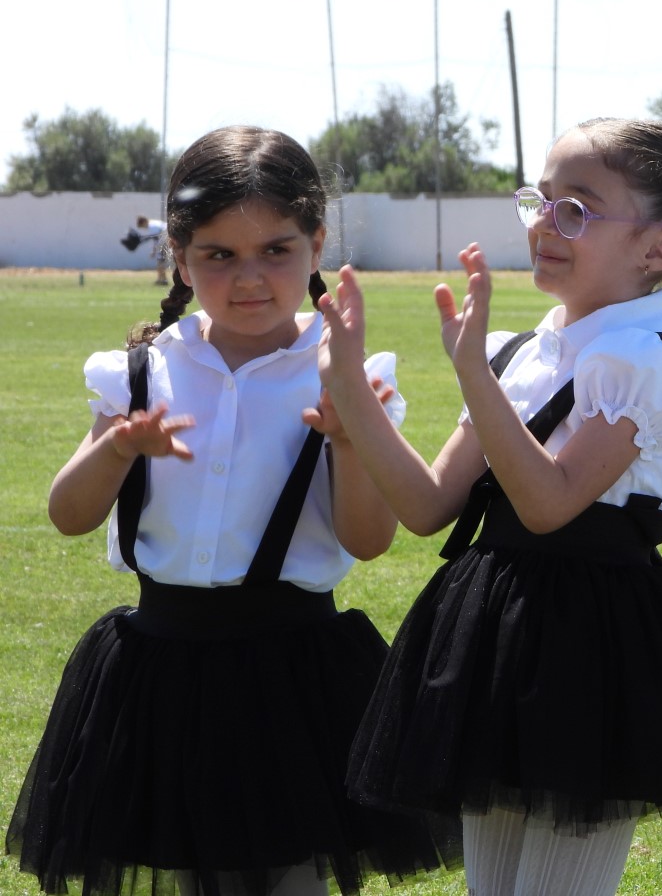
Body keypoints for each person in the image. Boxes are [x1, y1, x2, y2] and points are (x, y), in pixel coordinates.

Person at [320, 117, 662, 896]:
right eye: (539, 201)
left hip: (595, 646)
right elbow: (426, 504)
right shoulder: (520, 353)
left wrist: (472, 375)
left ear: (660, 248)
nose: (545, 225)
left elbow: (549, 502)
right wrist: (348, 384)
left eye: (575, 210)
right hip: (492, 634)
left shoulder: (653, 363)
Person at [6, 127, 455, 896]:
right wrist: (117, 450)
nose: (250, 277)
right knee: (198, 875)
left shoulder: (346, 374)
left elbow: (368, 540)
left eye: (276, 250)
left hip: (294, 676)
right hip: (160, 671)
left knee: (291, 878)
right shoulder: (139, 373)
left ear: (316, 246)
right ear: (180, 257)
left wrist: (350, 437)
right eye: (219, 254)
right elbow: (68, 514)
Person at [120, 215, 169, 284]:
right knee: (160, 261)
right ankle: (161, 279)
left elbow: (157, 239)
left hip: (165, 242)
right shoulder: (153, 224)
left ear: (144, 222)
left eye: (142, 226)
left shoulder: (152, 226)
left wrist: (154, 251)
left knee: (160, 261)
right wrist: (154, 250)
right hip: (165, 241)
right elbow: (156, 239)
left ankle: (163, 280)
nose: (143, 228)